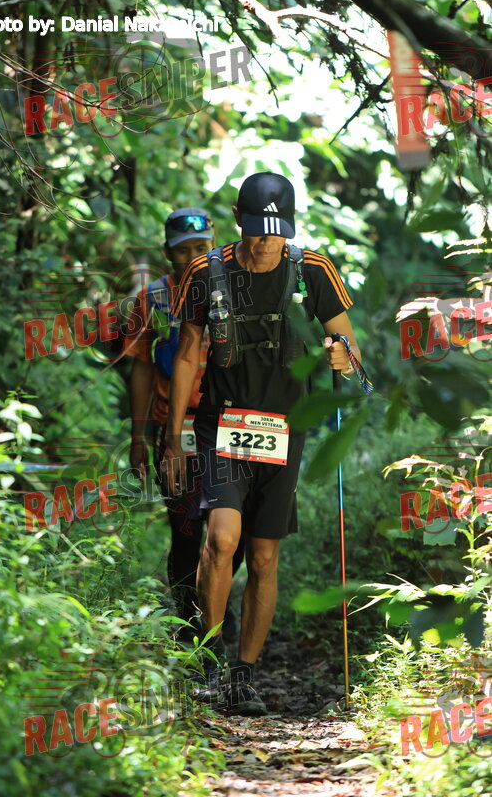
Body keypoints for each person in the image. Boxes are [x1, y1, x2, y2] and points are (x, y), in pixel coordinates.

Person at [163, 172, 362, 714]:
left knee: (264, 555)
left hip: (284, 429)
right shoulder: (206, 273)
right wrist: (172, 436)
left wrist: (342, 356)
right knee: (221, 540)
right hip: (222, 424)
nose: (266, 242)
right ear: (237, 220)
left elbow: (349, 349)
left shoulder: (313, 270)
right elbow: (188, 354)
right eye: (256, 231)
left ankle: (243, 676)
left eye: (276, 232)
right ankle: (209, 662)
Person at [125, 208, 244, 643]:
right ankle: (190, 622)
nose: (193, 257)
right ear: (167, 253)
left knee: (231, 529)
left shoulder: (237, 290)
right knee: (186, 529)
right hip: (177, 428)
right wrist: (140, 436)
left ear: (214, 245)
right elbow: (141, 368)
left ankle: (217, 604)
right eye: (183, 250)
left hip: (232, 423)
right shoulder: (153, 300)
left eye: (201, 247)